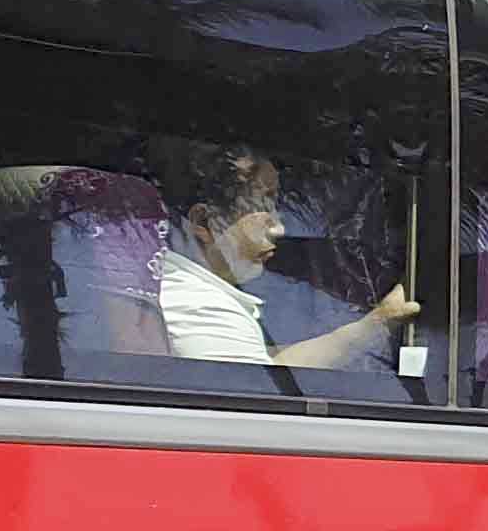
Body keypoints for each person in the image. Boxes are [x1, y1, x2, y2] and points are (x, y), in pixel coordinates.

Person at [152, 142, 417, 370]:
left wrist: (380, 320)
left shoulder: (190, 291)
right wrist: (377, 323)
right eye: (263, 205)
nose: (279, 229)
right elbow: (251, 395)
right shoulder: (197, 303)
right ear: (204, 220)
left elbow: (269, 370)